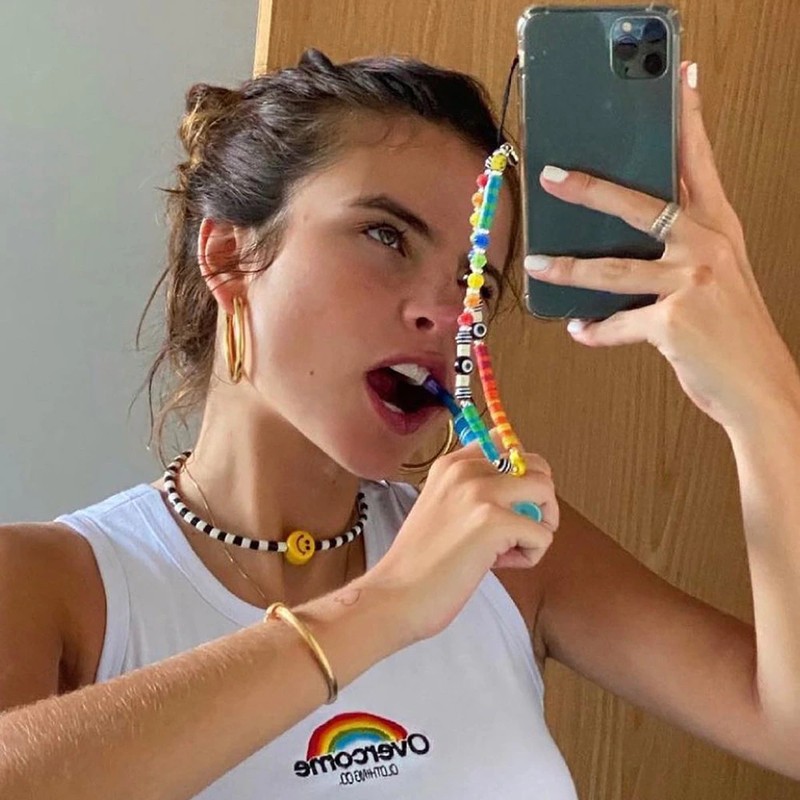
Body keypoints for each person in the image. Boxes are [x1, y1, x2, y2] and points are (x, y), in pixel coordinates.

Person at [0, 49, 797, 799]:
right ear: (230, 257)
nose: (447, 315)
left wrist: (764, 398)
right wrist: (386, 606)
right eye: (386, 236)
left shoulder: (515, 558)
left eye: (476, 285)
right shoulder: (50, 584)